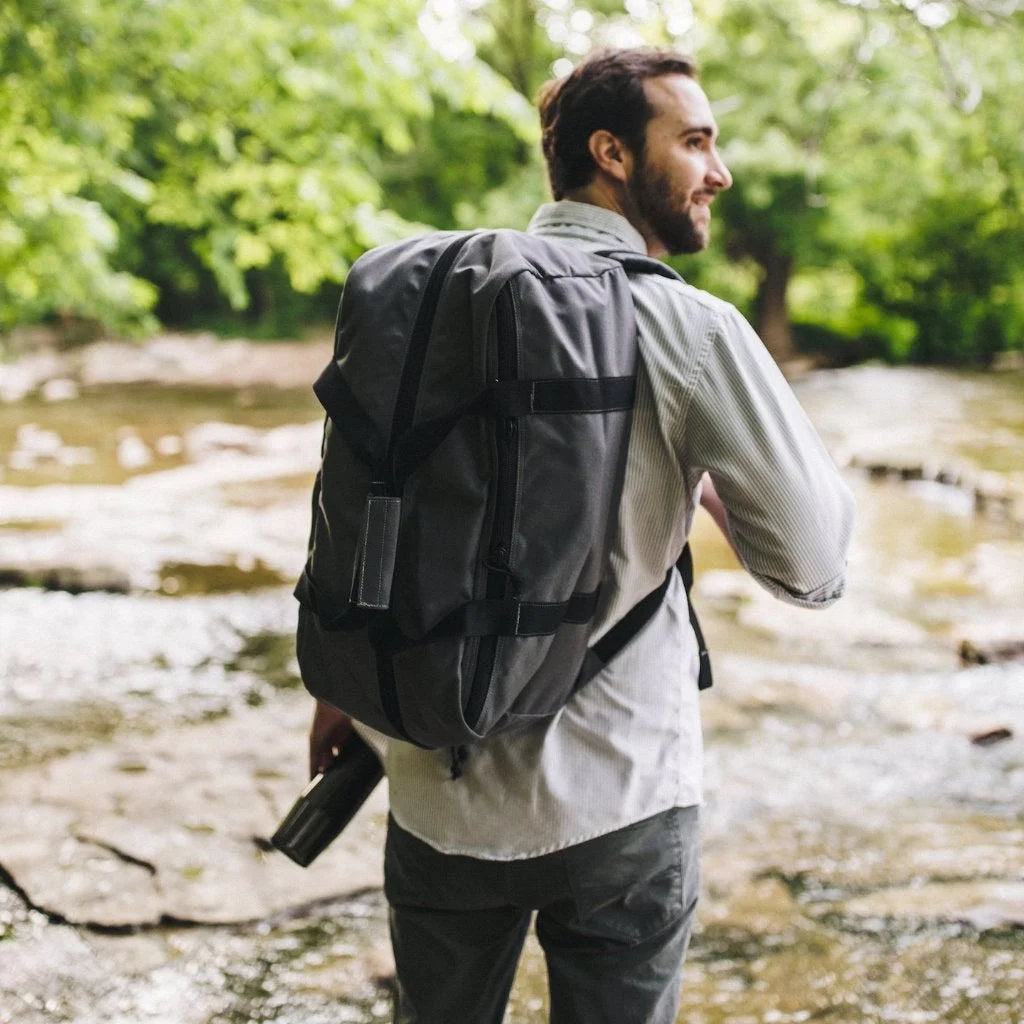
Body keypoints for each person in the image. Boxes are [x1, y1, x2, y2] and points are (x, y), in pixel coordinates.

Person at [308, 47, 855, 1024]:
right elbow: (813, 568)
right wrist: (711, 494)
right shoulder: (689, 328)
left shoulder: (435, 303)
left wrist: (352, 678)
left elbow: (367, 497)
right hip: (622, 796)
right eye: (694, 141)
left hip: (435, 787)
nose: (718, 171)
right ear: (610, 152)